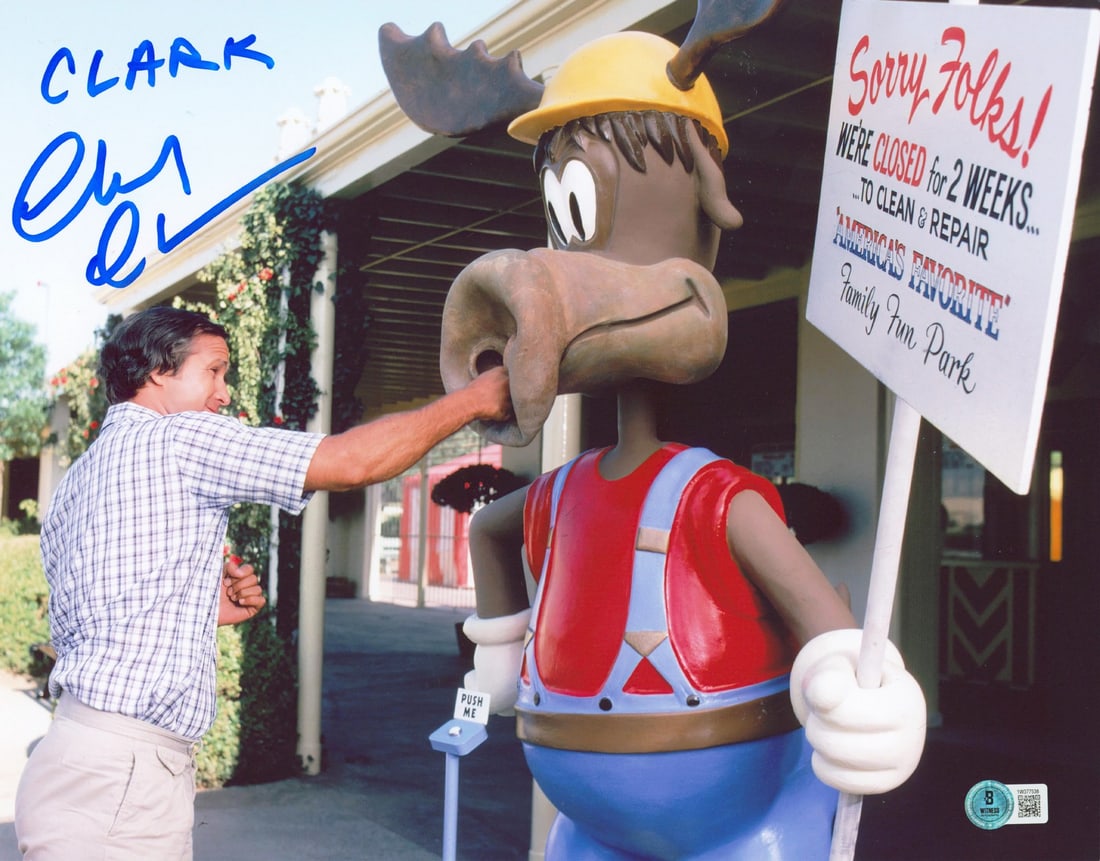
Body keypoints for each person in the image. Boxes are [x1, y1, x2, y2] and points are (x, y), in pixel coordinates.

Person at [14, 305, 511, 860]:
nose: (224, 394)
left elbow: (90, 615)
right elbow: (350, 462)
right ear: (157, 371)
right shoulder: (180, 440)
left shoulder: (78, 480)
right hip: (124, 780)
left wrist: (199, 606)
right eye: (214, 371)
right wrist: (475, 400)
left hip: (70, 758)